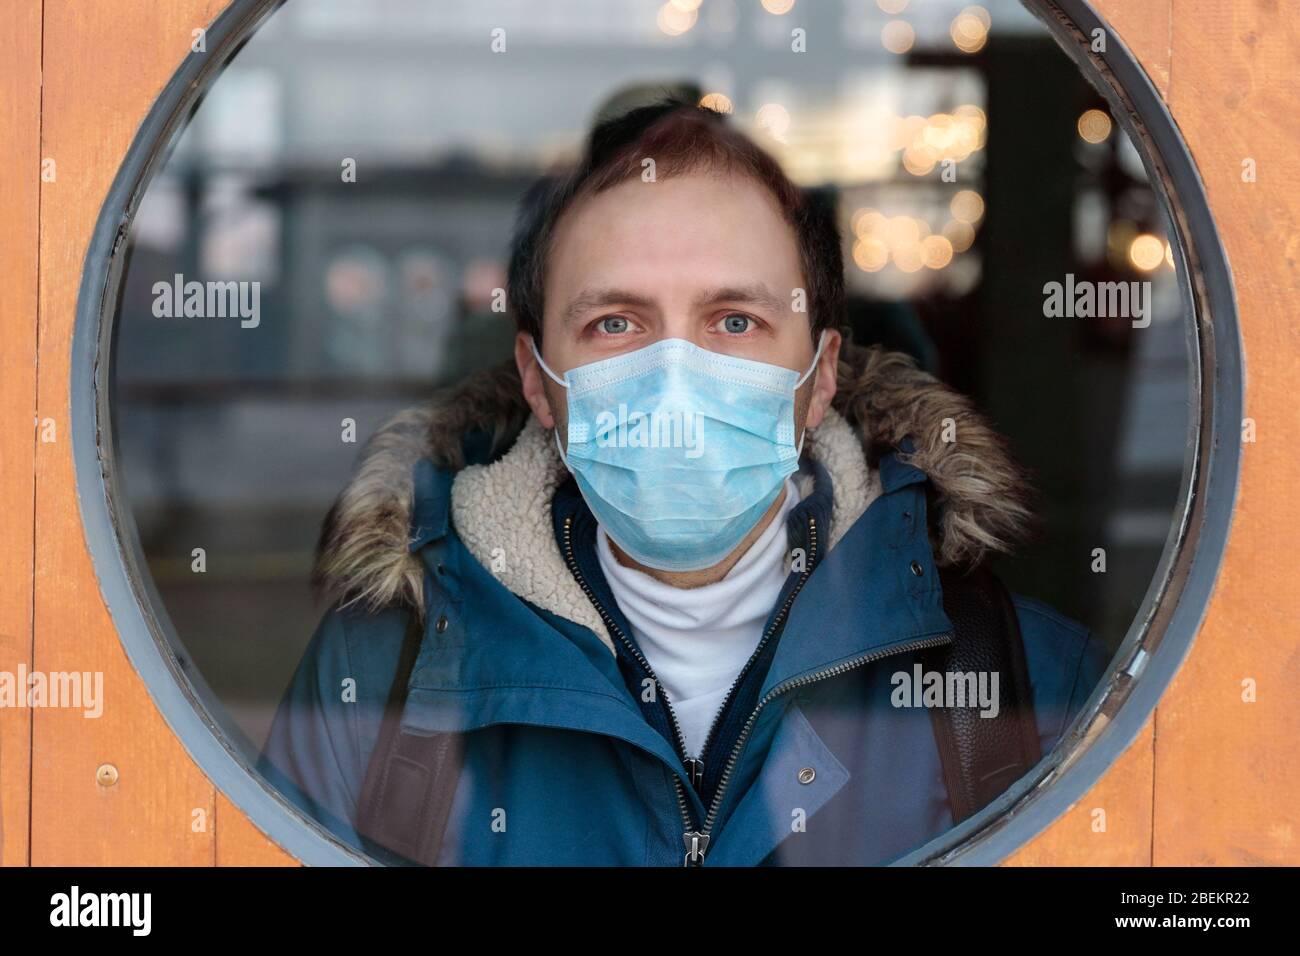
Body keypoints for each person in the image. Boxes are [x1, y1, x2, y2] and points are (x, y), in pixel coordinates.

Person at [257, 95, 1110, 866]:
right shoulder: (384, 675)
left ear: (820, 376)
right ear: (535, 377)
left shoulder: (1009, 678)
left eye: (734, 320)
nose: (674, 378)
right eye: (615, 322)